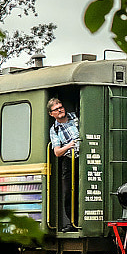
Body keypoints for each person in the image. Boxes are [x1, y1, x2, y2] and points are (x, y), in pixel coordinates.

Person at [48, 97, 79, 231]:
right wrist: (69, 145)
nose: (60, 110)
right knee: (68, 193)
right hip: (69, 161)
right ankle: (72, 223)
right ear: (51, 114)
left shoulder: (75, 117)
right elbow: (57, 152)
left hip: (84, 157)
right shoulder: (54, 130)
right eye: (56, 109)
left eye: (61, 107)